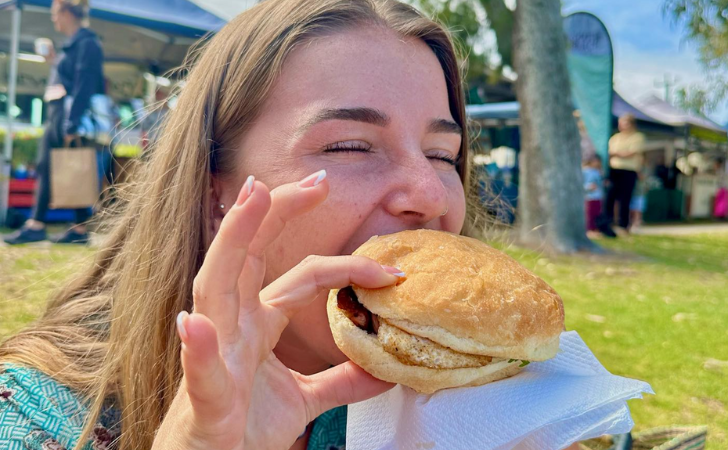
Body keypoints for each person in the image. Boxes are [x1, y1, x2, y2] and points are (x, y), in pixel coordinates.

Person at [0, 2, 581, 450]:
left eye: (441, 154)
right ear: (214, 194)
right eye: (351, 146)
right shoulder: (32, 418)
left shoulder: (479, 399)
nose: (429, 197)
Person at [3, 0, 104, 245]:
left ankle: (39, 224)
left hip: (67, 117)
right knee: (64, 165)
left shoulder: (87, 43)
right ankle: (78, 229)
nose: (53, 18)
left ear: (67, 12)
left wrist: (71, 124)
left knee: (59, 165)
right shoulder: (74, 45)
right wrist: (53, 61)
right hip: (60, 114)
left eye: (55, 13)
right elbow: (72, 80)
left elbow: (84, 85)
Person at [604, 113, 645, 234]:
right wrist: (619, 153)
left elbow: (631, 153)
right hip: (614, 170)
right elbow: (610, 152)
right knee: (610, 196)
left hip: (629, 171)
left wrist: (617, 153)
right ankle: (607, 223)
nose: (621, 125)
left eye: (625, 122)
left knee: (625, 198)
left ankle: (623, 225)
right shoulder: (615, 138)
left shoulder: (638, 137)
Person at [582, 155, 604, 238]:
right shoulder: (585, 171)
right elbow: (581, 183)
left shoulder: (598, 172)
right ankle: (589, 230)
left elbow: (599, 184)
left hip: (597, 196)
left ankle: (595, 229)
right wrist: (588, 187)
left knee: (596, 214)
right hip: (589, 197)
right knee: (589, 214)